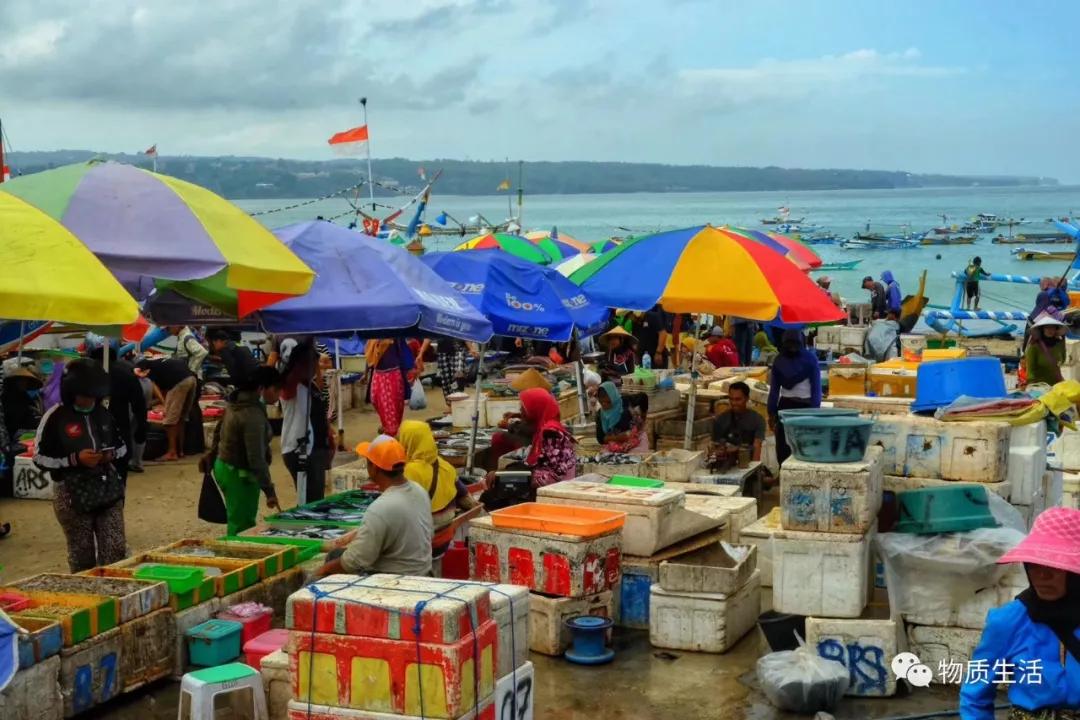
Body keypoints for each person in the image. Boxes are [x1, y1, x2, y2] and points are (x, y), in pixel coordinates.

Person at [959, 507, 1080, 719]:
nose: (1042, 575)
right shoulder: (1008, 622)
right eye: (1034, 564)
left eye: (1055, 565)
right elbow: (975, 695)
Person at [34, 359, 127, 572]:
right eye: (84, 395)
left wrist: (109, 455)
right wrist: (74, 459)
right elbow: (39, 458)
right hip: (71, 493)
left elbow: (122, 448)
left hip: (107, 488)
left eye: (93, 396)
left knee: (115, 550)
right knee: (81, 555)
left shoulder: (104, 414)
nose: (89, 400)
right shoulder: (55, 416)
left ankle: (113, 595)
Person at [316, 436, 433, 577]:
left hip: (394, 579)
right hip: (422, 570)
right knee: (335, 555)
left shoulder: (380, 508)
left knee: (327, 569)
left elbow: (354, 561)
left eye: (368, 463)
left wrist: (322, 571)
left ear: (375, 469)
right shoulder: (418, 490)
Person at [201, 366, 282, 535]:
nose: (278, 395)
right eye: (276, 389)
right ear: (262, 388)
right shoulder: (251, 415)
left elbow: (219, 430)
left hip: (224, 465)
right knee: (241, 526)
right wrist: (269, 490)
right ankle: (237, 558)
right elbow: (256, 458)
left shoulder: (237, 401)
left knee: (239, 519)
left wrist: (211, 454)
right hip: (238, 474)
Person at [279, 339, 335, 504]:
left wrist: (329, 438)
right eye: (311, 363)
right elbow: (286, 388)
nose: (314, 368)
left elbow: (319, 415)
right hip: (300, 450)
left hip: (315, 449)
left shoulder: (309, 385)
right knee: (309, 502)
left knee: (315, 499)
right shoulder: (292, 386)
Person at [90, 347, 146, 485]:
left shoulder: (90, 375)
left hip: (93, 433)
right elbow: (139, 403)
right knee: (120, 475)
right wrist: (142, 428)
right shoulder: (126, 374)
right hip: (120, 431)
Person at [398, 420, 466, 528]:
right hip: (447, 526)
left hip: (426, 531)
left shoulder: (409, 471)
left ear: (408, 440)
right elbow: (463, 493)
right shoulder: (443, 464)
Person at [767, 330, 822, 464]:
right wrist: (815, 411)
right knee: (806, 446)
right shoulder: (810, 359)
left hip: (785, 408)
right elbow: (816, 390)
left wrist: (771, 413)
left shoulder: (779, 361)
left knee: (784, 446)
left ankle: (784, 474)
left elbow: (774, 391)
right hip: (807, 408)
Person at [137, 356, 197, 461]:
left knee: (169, 420)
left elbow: (154, 387)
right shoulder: (160, 363)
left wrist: (164, 404)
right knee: (181, 418)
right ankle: (180, 451)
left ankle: (172, 452)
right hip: (191, 379)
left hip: (179, 382)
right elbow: (165, 389)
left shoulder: (148, 369)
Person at [365, 338, 415, 436]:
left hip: (392, 374)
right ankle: (388, 427)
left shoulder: (395, 334)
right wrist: (366, 374)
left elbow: (404, 354)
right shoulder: (372, 336)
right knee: (376, 400)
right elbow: (370, 358)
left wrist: (411, 370)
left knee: (392, 407)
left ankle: (391, 432)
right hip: (378, 374)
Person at [712, 381, 766, 461]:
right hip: (726, 462)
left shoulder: (757, 420)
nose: (734, 403)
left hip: (748, 462)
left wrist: (754, 469)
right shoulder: (721, 420)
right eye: (731, 399)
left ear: (747, 398)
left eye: (738, 399)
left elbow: (757, 447)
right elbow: (716, 446)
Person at [595, 381, 650, 454]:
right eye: (601, 403)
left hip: (636, 441)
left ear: (613, 397)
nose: (604, 405)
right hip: (614, 446)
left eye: (608, 402)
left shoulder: (625, 401)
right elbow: (600, 439)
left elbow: (643, 397)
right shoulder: (600, 415)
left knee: (637, 459)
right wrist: (617, 438)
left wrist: (643, 419)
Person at [1024, 312, 1068, 387]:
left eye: (1053, 327)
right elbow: (1030, 371)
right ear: (1042, 329)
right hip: (1039, 386)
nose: (1050, 330)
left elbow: (1062, 360)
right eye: (1047, 327)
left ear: (1056, 329)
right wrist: (1033, 387)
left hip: (1056, 384)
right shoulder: (1034, 346)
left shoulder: (1059, 344)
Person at [1, 366, 43, 438]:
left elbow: (32, 415)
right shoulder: (5, 397)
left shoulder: (25, 397)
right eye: (21, 380)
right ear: (14, 381)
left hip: (24, 432)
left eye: (26, 381)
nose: (24, 383)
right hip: (9, 434)